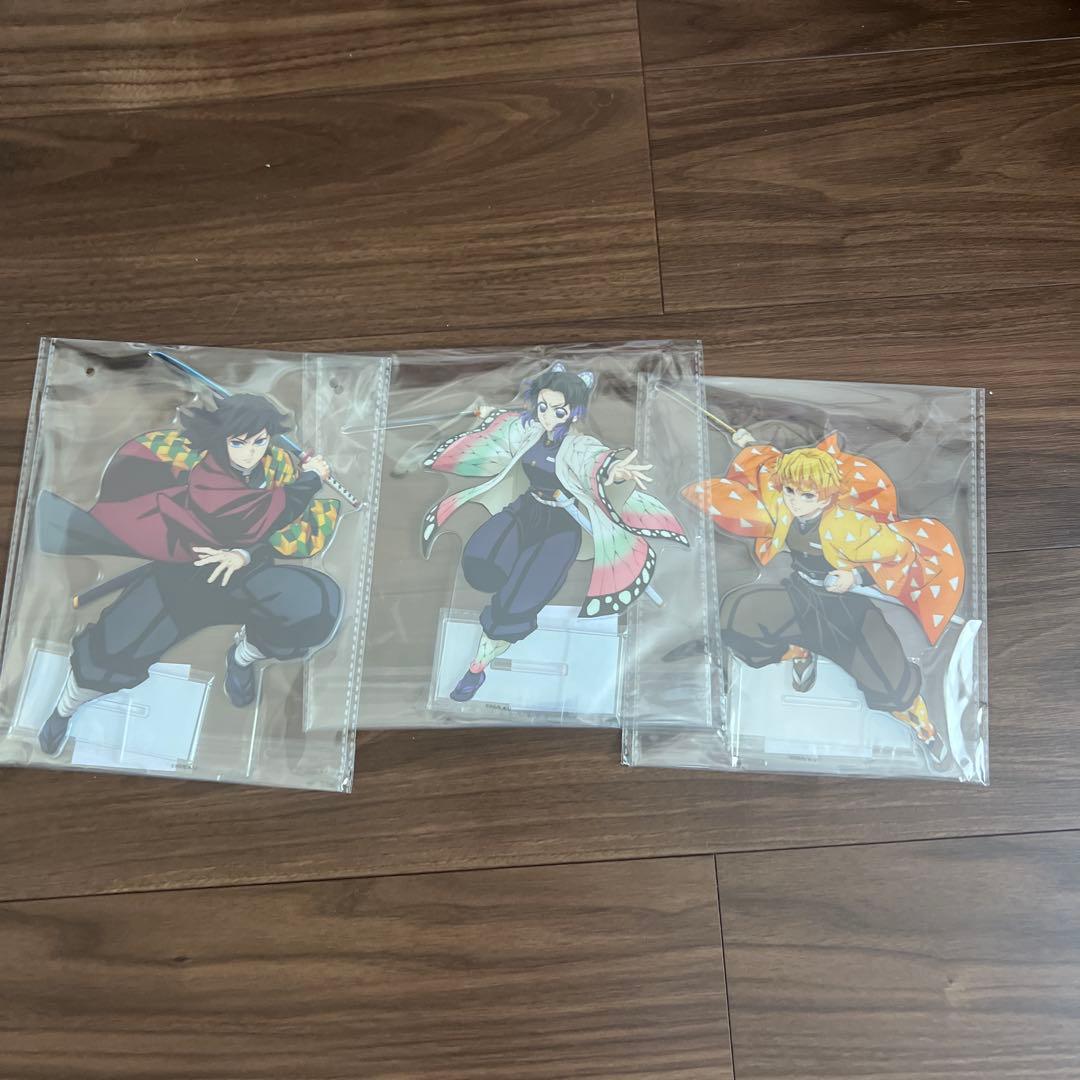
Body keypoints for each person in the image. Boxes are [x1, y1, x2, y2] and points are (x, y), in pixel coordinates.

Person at [35, 394, 342, 756]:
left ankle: (242, 657)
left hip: (239, 580)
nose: (250, 453)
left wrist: (243, 555)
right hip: (179, 583)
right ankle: (64, 710)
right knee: (110, 654)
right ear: (222, 439)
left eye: (259, 441)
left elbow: (268, 530)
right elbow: (256, 515)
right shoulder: (207, 477)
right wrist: (311, 479)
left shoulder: (276, 466)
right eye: (239, 443)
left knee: (314, 602)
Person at [684, 429, 966, 765]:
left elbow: (899, 553)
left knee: (889, 681)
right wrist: (747, 443)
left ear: (826, 496)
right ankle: (799, 651)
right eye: (790, 491)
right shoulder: (783, 506)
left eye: (807, 495)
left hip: (847, 611)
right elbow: (768, 465)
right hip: (802, 595)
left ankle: (925, 730)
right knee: (736, 616)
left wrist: (855, 576)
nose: (795, 500)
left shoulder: (847, 525)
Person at [422, 363, 688, 702]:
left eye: (558, 410)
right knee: (481, 558)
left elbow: (596, 460)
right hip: (526, 510)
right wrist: (485, 413)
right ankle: (504, 586)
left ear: (574, 412)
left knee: (517, 602)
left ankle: (476, 668)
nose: (548, 415)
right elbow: (508, 427)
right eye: (543, 406)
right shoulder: (531, 429)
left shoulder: (578, 445)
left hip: (561, 528)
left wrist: (615, 469)